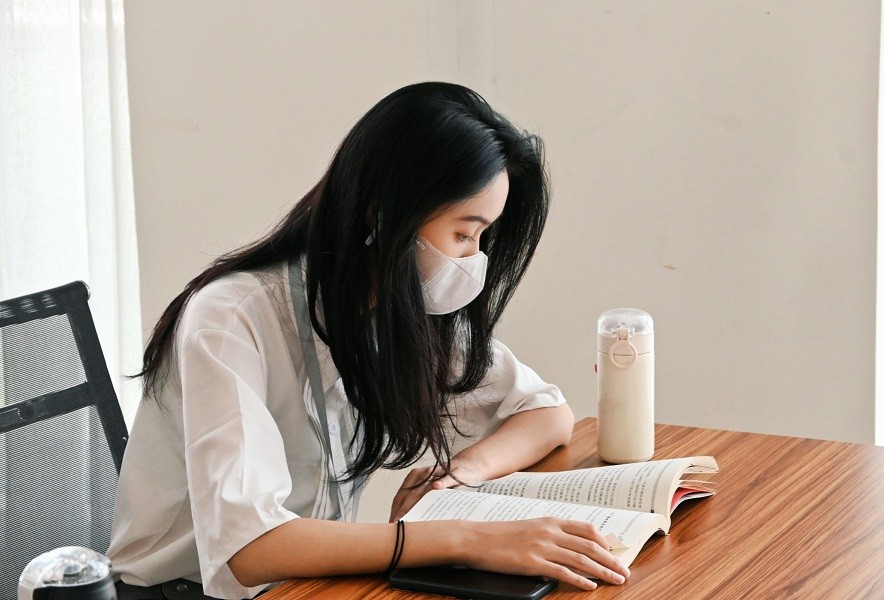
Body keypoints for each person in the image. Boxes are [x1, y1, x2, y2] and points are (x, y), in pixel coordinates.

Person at [108, 82, 630, 599]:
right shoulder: (231, 319)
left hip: (308, 586)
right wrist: (468, 539)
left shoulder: (397, 307)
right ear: (383, 213)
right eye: (463, 233)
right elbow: (250, 549)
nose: (474, 260)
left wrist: (459, 474)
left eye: (481, 237)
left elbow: (546, 414)